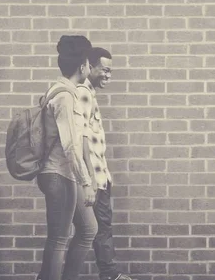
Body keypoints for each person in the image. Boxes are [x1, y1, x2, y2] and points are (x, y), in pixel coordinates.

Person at [37, 35, 97, 280]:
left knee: (88, 229)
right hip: (59, 173)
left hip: (63, 173)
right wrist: (86, 182)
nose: (90, 69)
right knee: (59, 238)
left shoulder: (60, 90)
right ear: (82, 66)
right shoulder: (65, 96)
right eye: (89, 64)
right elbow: (71, 145)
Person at [77, 48, 133, 280]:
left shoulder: (90, 93)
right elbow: (79, 140)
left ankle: (110, 274)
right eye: (105, 70)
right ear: (90, 66)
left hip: (101, 178)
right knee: (90, 231)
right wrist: (88, 180)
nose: (109, 75)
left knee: (100, 229)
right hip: (92, 181)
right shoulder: (83, 94)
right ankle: (110, 274)